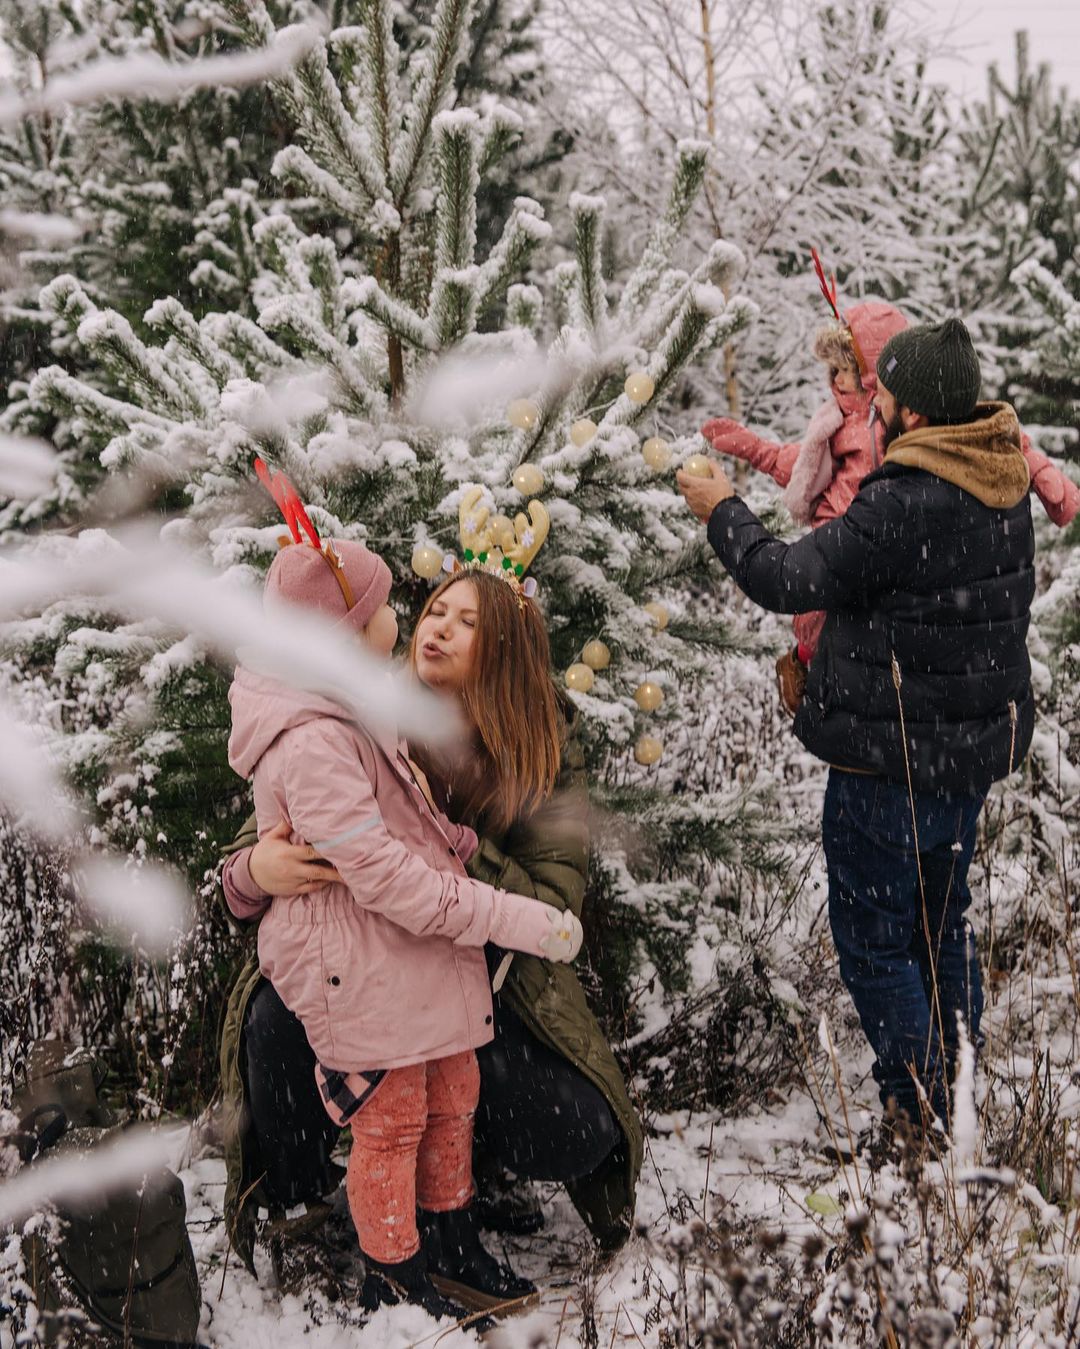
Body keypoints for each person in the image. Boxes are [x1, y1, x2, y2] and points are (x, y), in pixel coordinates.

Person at [219, 568, 643, 1286]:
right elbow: (265, 833)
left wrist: (445, 855)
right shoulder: (357, 711)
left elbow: (552, 896)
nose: (436, 626)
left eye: (466, 621)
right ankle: (309, 1194)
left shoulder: (540, 746)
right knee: (272, 1020)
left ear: (504, 649)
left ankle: (457, 1189)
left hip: (487, 978)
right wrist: (254, 870)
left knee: (573, 1126)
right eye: (434, 610)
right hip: (358, 970)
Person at [678, 316, 1037, 1129]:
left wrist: (721, 508)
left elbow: (784, 575)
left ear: (906, 414)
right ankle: (960, 1080)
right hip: (966, 760)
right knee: (943, 919)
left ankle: (915, 1107)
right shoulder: (1001, 480)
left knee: (875, 936)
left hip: (888, 766)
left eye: (883, 398)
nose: (870, 410)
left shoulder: (902, 504)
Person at [702, 300, 907, 710]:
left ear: (875, 373)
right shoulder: (835, 424)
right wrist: (753, 448)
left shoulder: (900, 421)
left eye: (846, 369)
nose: (838, 380)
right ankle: (804, 664)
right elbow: (802, 464)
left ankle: (811, 668)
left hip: (876, 540)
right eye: (832, 370)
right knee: (817, 613)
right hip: (837, 534)